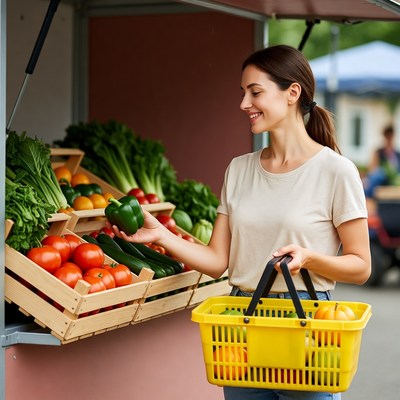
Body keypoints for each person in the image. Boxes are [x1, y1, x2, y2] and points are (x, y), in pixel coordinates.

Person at [110, 45, 371, 400]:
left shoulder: (336, 171)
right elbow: (219, 261)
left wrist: (309, 258)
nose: (244, 103)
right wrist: (162, 236)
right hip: (242, 320)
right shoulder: (239, 169)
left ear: (292, 93)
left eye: (255, 92)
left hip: (310, 322)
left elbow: (360, 266)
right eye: (243, 92)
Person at [364, 124, 400, 199]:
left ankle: (365, 195)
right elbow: (372, 169)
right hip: (382, 179)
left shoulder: (397, 154)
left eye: (390, 136)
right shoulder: (379, 152)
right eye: (387, 136)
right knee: (379, 174)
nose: (389, 138)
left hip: (394, 179)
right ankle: (366, 196)